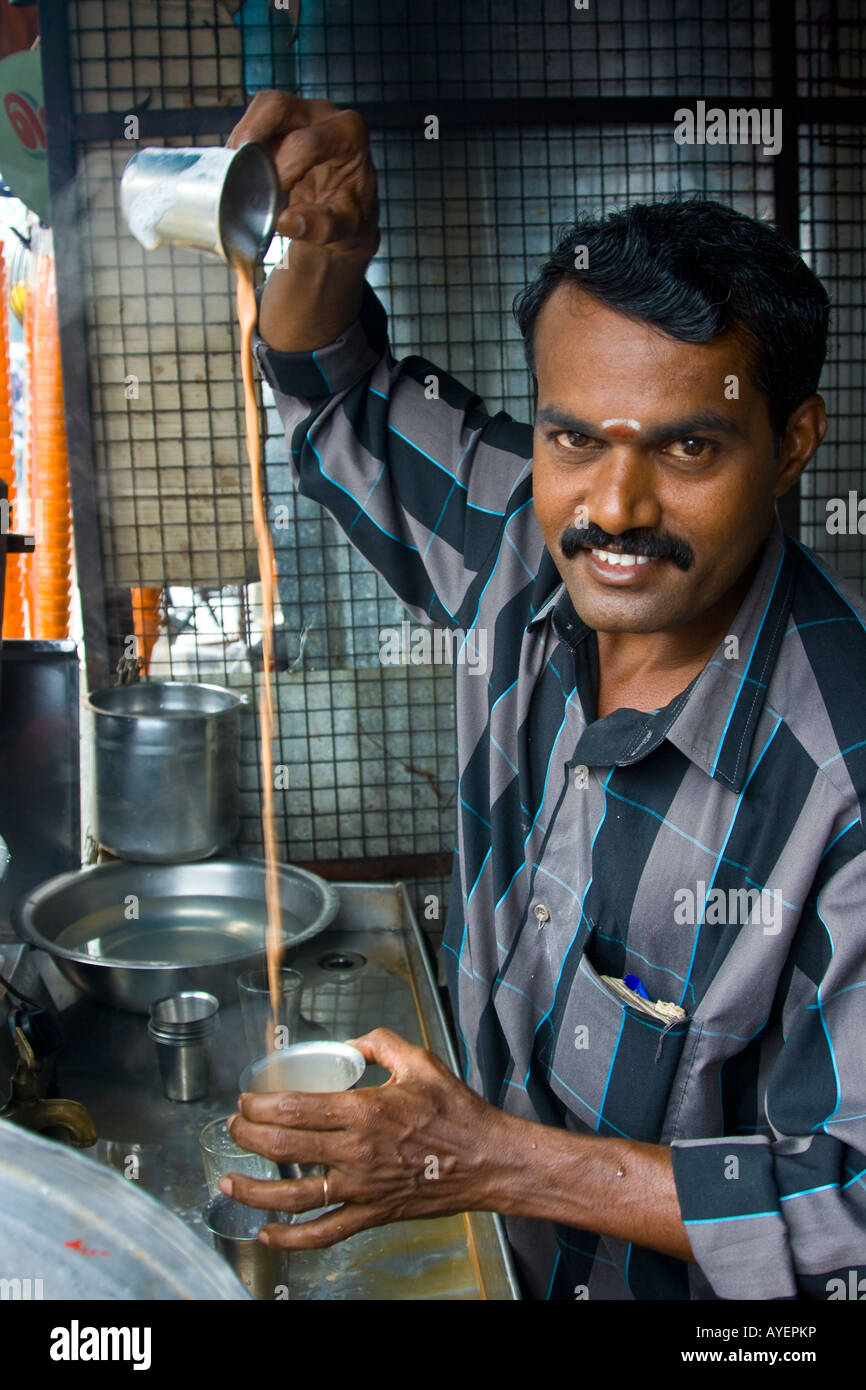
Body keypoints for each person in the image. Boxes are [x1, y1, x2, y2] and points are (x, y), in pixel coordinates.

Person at [220, 91, 866, 1300]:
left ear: (789, 443)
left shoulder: (838, 786)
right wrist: (324, 244)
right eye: (574, 438)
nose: (612, 511)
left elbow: (848, 1207)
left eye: (687, 448)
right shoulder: (527, 531)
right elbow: (338, 392)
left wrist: (488, 1159)